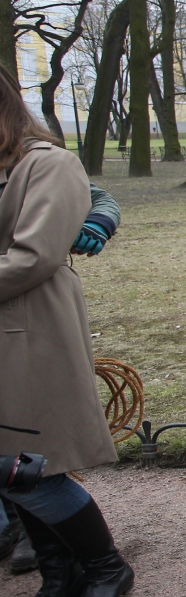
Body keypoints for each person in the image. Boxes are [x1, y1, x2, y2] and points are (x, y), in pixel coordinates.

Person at [0, 64, 135, 597]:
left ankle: (105, 567)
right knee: (12, 466)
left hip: (29, 328)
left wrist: (101, 218)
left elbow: (34, 256)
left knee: (32, 463)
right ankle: (58, 578)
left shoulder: (45, 163)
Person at [3, 181, 121, 574]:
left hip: (24, 305)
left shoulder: (28, 161)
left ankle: (42, 535)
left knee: (25, 429)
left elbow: (95, 195)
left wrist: (98, 222)